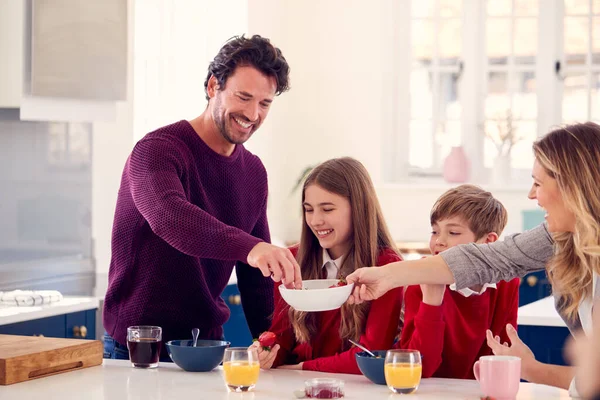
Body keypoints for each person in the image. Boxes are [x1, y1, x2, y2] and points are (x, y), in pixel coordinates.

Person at [347, 122, 600, 394]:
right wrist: (387, 276)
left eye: (538, 183)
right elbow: (490, 260)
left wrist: (532, 369)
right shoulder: (560, 238)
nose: (531, 194)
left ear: (573, 187)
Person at [103, 35, 302, 359]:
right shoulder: (156, 150)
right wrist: (251, 248)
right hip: (137, 348)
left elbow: (256, 280)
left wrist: (273, 342)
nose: (253, 114)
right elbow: (171, 217)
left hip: (206, 347)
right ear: (213, 86)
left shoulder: (253, 172)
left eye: (265, 103)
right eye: (244, 97)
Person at [249, 157, 403, 374]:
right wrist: (265, 353)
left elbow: (372, 353)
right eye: (309, 209)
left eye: (327, 209)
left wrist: (302, 368)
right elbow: (282, 339)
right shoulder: (292, 259)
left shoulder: (387, 266)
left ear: (358, 208)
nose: (315, 220)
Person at [399, 185, 519, 379]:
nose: (439, 241)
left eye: (453, 233)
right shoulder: (421, 281)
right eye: (435, 232)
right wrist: (431, 300)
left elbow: (504, 360)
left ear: (488, 241)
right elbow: (418, 369)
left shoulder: (506, 283)